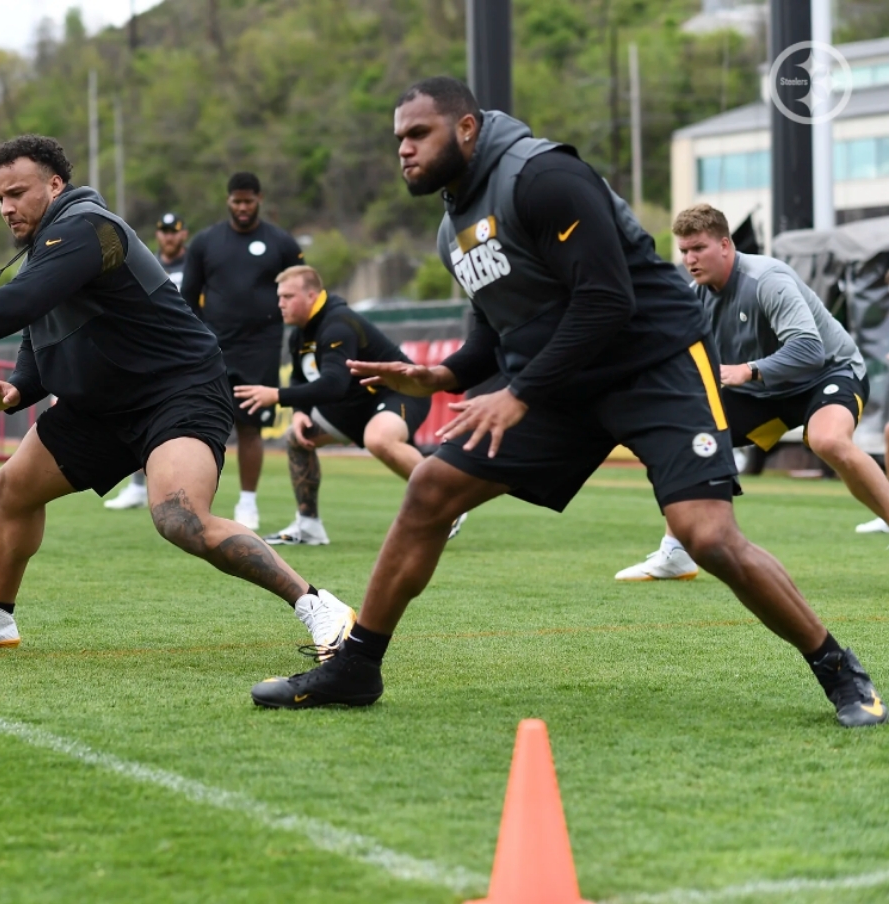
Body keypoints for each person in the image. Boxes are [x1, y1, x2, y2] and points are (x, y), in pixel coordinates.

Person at [248, 77, 886, 728]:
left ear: (466, 128)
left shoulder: (545, 176)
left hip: (653, 364)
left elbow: (607, 299)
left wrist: (520, 393)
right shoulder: (453, 227)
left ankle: (839, 669)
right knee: (430, 489)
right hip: (564, 382)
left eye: (419, 134)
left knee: (708, 536)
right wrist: (443, 378)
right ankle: (357, 666)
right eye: (399, 140)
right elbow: (497, 327)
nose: (404, 150)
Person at [0, 134, 354, 656]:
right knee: (14, 488)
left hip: (176, 390)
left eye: (18, 193)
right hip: (103, 406)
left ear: (54, 184)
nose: (6, 207)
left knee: (179, 516)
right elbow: (36, 326)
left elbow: (18, 303)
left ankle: (319, 607)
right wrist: (19, 388)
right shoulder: (47, 250)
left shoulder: (89, 229)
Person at [616, 204, 889, 580]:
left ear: (725, 245)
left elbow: (810, 350)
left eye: (699, 248)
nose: (690, 259)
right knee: (686, 436)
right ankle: (677, 552)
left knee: (828, 441)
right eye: (684, 251)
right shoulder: (696, 295)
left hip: (830, 372)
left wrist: (748, 370)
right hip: (766, 392)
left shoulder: (767, 279)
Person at [232, 264, 432, 545]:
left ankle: (445, 502)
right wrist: (300, 413)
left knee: (378, 438)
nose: (280, 304)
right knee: (297, 438)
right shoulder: (300, 334)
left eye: (288, 297)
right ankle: (308, 527)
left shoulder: (337, 323)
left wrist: (277, 396)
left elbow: (333, 384)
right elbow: (302, 377)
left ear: (312, 295)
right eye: (279, 298)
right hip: (353, 407)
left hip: (399, 394)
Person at [182, 174, 304, 530]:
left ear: (259, 199)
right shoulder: (205, 242)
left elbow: (300, 288)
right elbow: (188, 297)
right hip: (214, 347)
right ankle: (199, 498)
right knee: (205, 423)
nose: (242, 208)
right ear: (228, 200)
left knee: (249, 427)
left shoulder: (280, 242)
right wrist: (199, 338)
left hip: (261, 348)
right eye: (236, 201)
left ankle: (247, 503)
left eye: (248, 201)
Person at [105, 210, 190, 510]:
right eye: (163, 231)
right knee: (137, 415)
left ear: (183, 234)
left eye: (173, 231)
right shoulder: (146, 260)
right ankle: (139, 485)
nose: (168, 236)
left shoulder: (193, 266)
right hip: (147, 347)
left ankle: (179, 487)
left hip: (183, 350)